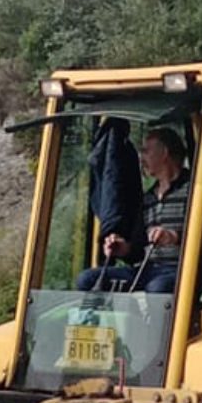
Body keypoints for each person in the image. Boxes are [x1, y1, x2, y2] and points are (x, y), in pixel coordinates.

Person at [76, 125, 189, 294]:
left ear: (164, 153)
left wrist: (173, 237)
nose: (141, 158)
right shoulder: (148, 198)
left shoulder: (193, 190)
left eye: (146, 151)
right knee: (87, 279)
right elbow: (138, 248)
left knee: (158, 288)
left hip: (180, 269)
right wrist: (123, 248)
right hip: (146, 269)